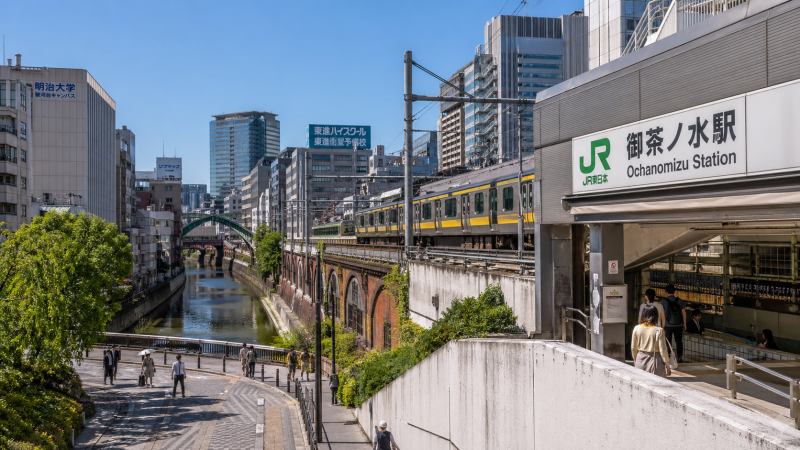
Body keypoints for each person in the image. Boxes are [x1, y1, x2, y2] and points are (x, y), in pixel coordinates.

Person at [631, 303, 671, 378]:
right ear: (655, 316)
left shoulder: (636, 328)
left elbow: (633, 348)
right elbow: (663, 349)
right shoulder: (659, 330)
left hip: (640, 359)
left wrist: (635, 360)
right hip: (655, 360)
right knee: (657, 382)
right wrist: (667, 365)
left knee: (640, 381)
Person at [660, 284, 686, 363]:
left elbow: (662, 315)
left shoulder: (663, 301)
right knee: (679, 341)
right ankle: (679, 357)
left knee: (668, 341)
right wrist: (684, 324)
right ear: (674, 292)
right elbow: (683, 313)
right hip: (679, 325)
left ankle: (668, 357)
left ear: (666, 292)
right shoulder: (680, 301)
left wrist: (662, 326)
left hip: (667, 325)